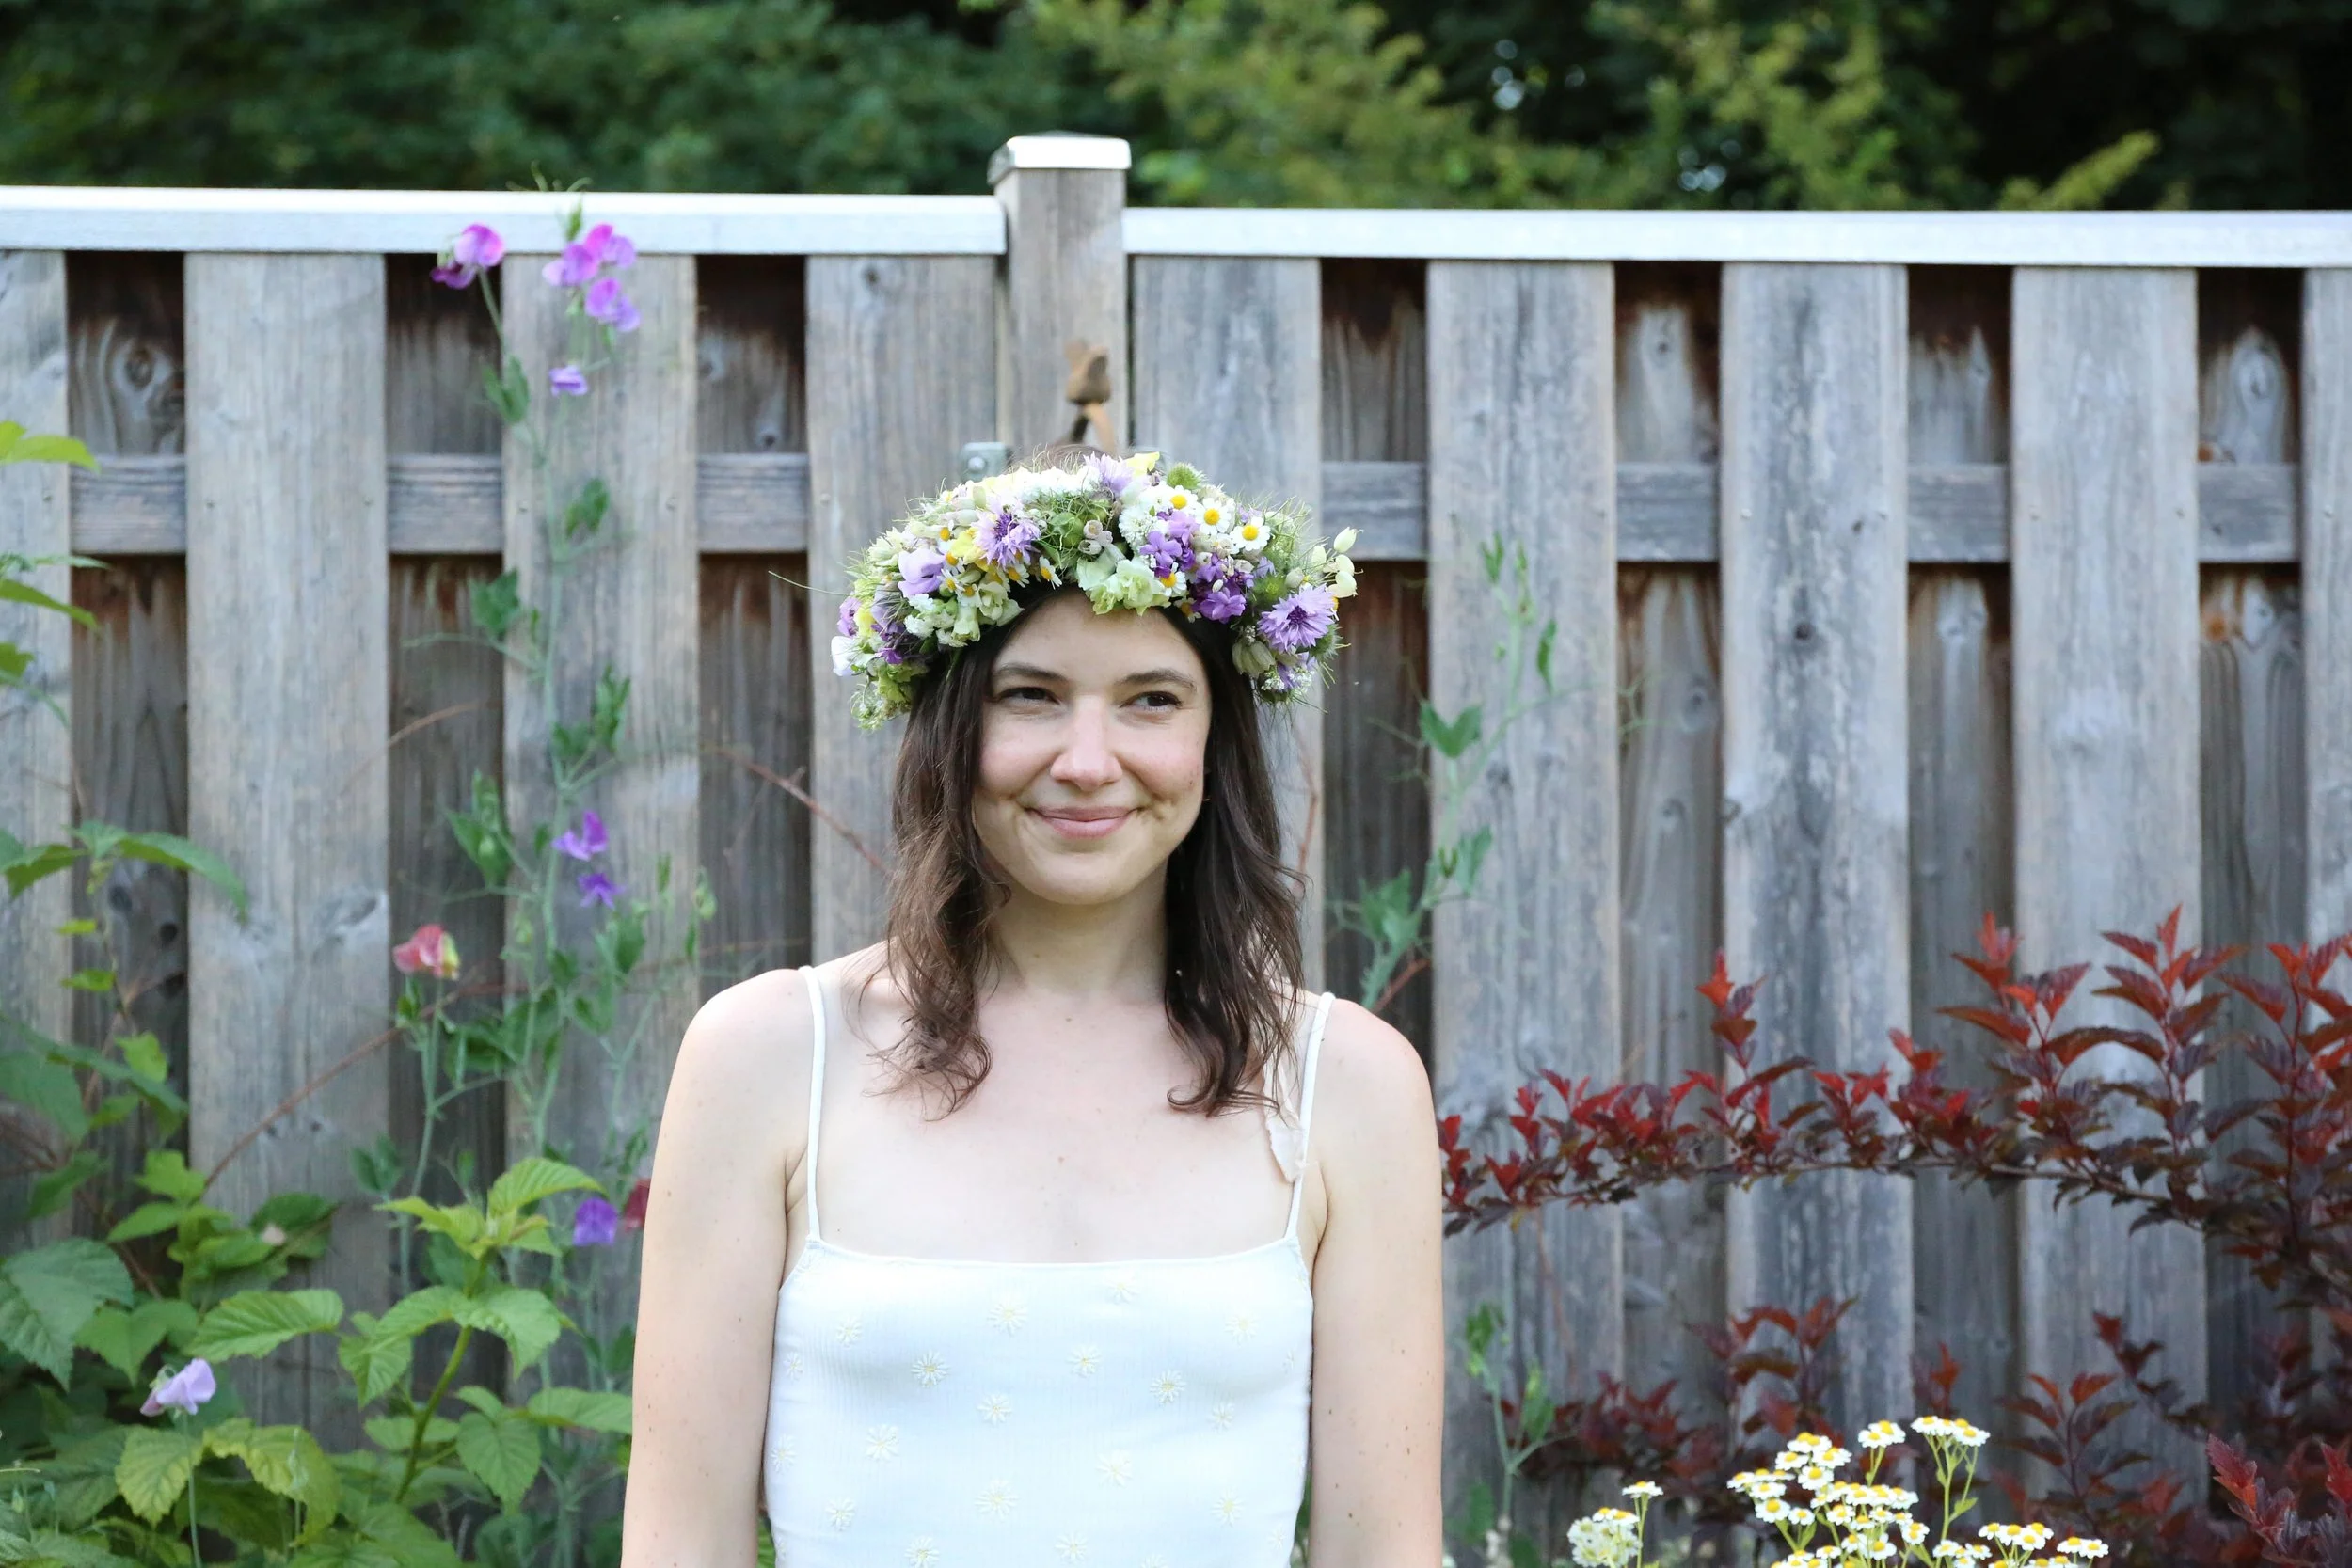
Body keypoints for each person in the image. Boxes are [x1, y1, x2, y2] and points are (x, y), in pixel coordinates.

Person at [620, 451, 1442, 1567]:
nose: (1088, 761)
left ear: (1215, 743)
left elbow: (1379, 1551)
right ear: (950, 725)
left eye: (1151, 699)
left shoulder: (1345, 1080)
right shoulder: (770, 1056)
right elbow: (680, 1542)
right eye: (1031, 695)